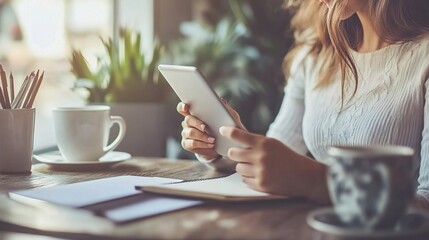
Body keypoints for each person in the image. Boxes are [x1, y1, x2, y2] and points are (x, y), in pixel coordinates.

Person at [177, 0, 429, 207]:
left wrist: (317, 181)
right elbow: (278, 158)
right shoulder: (315, 54)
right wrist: (224, 143)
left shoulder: (423, 59)